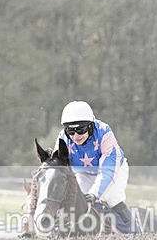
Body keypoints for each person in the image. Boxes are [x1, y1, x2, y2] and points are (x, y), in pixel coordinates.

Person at [57, 100, 138, 233]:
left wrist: (94, 194)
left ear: (90, 126)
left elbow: (107, 171)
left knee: (113, 198)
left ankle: (136, 233)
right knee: (77, 201)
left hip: (114, 169)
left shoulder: (104, 132)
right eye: (70, 131)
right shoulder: (62, 138)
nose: (75, 136)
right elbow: (59, 169)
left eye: (80, 130)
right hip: (84, 173)